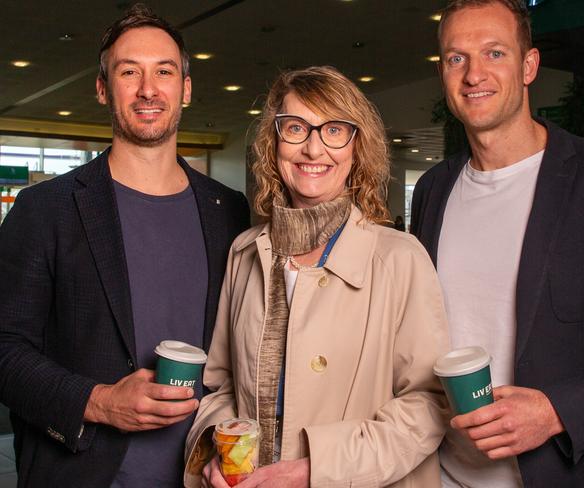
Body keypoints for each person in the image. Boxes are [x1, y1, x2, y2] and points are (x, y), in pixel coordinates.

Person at [0, 4, 249, 487]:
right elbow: (5, 348)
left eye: (164, 71)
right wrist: (97, 401)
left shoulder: (230, 212)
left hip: (204, 476)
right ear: (102, 88)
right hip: (83, 473)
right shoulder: (44, 209)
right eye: (128, 71)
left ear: (187, 88)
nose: (148, 89)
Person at [411, 0, 584, 487]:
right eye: (457, 58)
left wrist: (556, 410)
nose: (474, 74)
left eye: (494, 53)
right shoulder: (434, 189)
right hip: (448, 475)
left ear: (529, 65)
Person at [184, 66, 450, 488]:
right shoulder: (244, 253)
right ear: (274, 144)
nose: (313, 148)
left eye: (334, 130)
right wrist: (219, 448)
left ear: (356, 147)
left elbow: (430, 405)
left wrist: (315, 471)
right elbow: (221, 386)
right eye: (295, 128)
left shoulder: (400, 259)